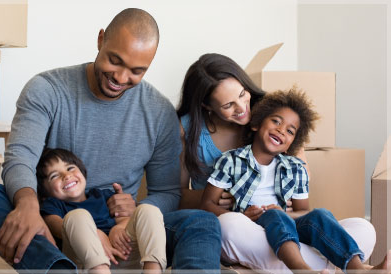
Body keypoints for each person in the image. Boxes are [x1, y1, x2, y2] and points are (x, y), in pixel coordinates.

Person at [0, 8, 221, 272]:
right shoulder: (47, 89)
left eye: (136, 71)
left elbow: (167, 192)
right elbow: (20, 157)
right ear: (100, 40)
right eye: (115, 60)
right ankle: (57, 267)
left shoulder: (159, 112)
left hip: (124, 234)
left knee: (201, 222)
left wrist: (134, 210)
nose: (121, 78)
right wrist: (28, 205)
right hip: (59, 224)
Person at [176, 53, 377, 272]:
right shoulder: (203, 141)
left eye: (243, 94)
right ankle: (318, 264)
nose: (243, 107)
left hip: (287, 226)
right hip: (242, 227)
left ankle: (337, 266)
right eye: (228, 105)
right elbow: (181, 195)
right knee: (229, 226)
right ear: (207, 105)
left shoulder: (274, 113)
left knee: (363, 228)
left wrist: (290, 210)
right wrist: (226, 197)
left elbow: (302, 200)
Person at [201, 89, 391, 273]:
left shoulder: (295, 168)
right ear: (256, 124)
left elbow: (303, 212)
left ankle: (357, 270)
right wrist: (243, 215)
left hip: (288, 231)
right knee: (230, 224)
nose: (281, 130)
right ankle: (305, 268)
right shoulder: (231, 160)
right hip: (252, 229)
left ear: (292, 143)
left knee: (348, 223)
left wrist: (283, 213)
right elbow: (206, 204)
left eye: (290, 131)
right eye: (275, 121)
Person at [37, 148, 166, 274]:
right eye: (55, 176)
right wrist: (95, 233)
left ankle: (153, 270)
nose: (66, 176)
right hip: (86, 262)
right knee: (76, 216)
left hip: (122, 253)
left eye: (70, 168)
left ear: (82, 172)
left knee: (148, 210)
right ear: (45, 192)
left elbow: (123, 216)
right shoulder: (53, 205)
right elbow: (57, 227)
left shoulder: (101, 195)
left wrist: (119, 227)